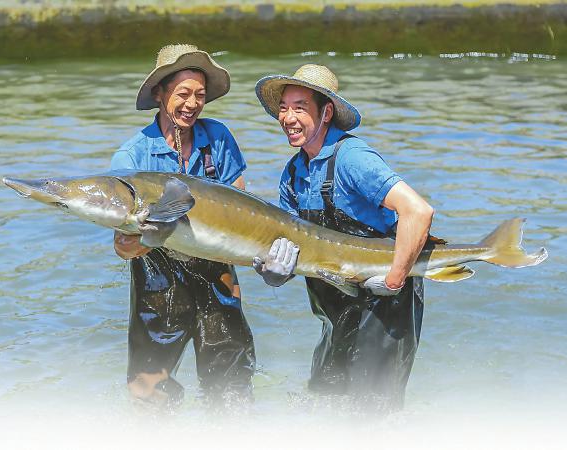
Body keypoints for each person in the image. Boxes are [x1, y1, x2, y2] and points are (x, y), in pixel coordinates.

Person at [252, 64, 434, 412]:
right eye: (284, 108)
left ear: (327, 112)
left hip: (384, 304)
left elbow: (418, 211)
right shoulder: (292, 173)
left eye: (300, 107)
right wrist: (275, 272)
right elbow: (292, 247)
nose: (288, 117)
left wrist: (394, 280)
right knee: (325, 404)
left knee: (371, 414)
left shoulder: (352, 158)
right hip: (334, 310)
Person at [110, 44, 255, 409]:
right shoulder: (132, 156)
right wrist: (148, 237)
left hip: (217, 278)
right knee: (148, 393)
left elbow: (242, 204)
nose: (192, 104)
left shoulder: (218, 138)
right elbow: (122, 247)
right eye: (183, 94)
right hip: (158, 286)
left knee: (231, 388)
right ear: (160, 94)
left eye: (200, 95)